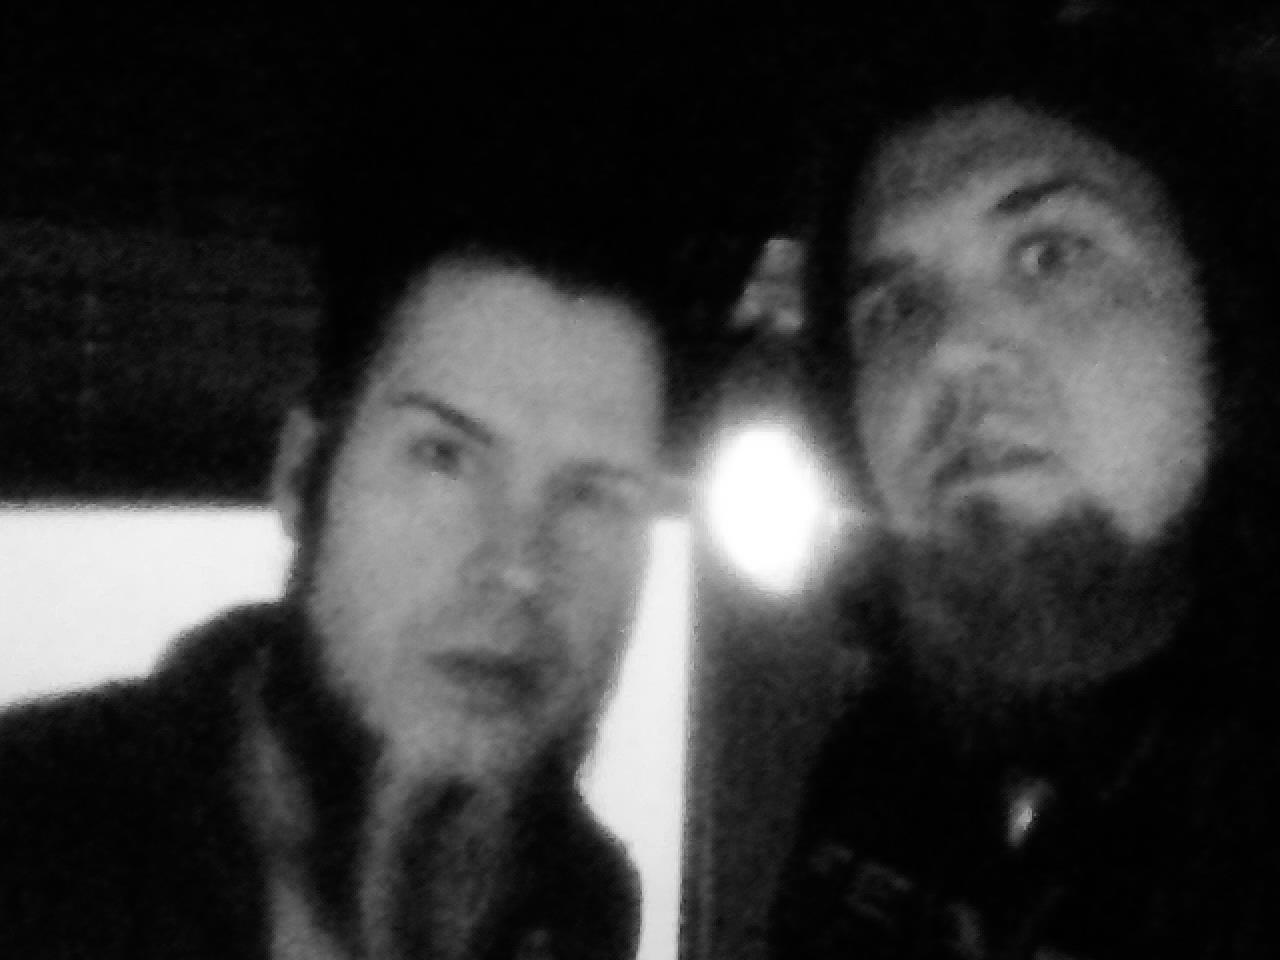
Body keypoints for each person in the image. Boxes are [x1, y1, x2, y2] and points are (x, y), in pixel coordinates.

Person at [0, 126, 703, 960]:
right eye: (443, 457)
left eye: (592, 494)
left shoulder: (576, 903)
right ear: (303, 476)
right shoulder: (33, 846)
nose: (519, 565)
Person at [768, 21, 1280, 960]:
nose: (949, 349)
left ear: (1222, 320)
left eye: (1051, 255)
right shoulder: (872, 775)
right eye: (897, 307)